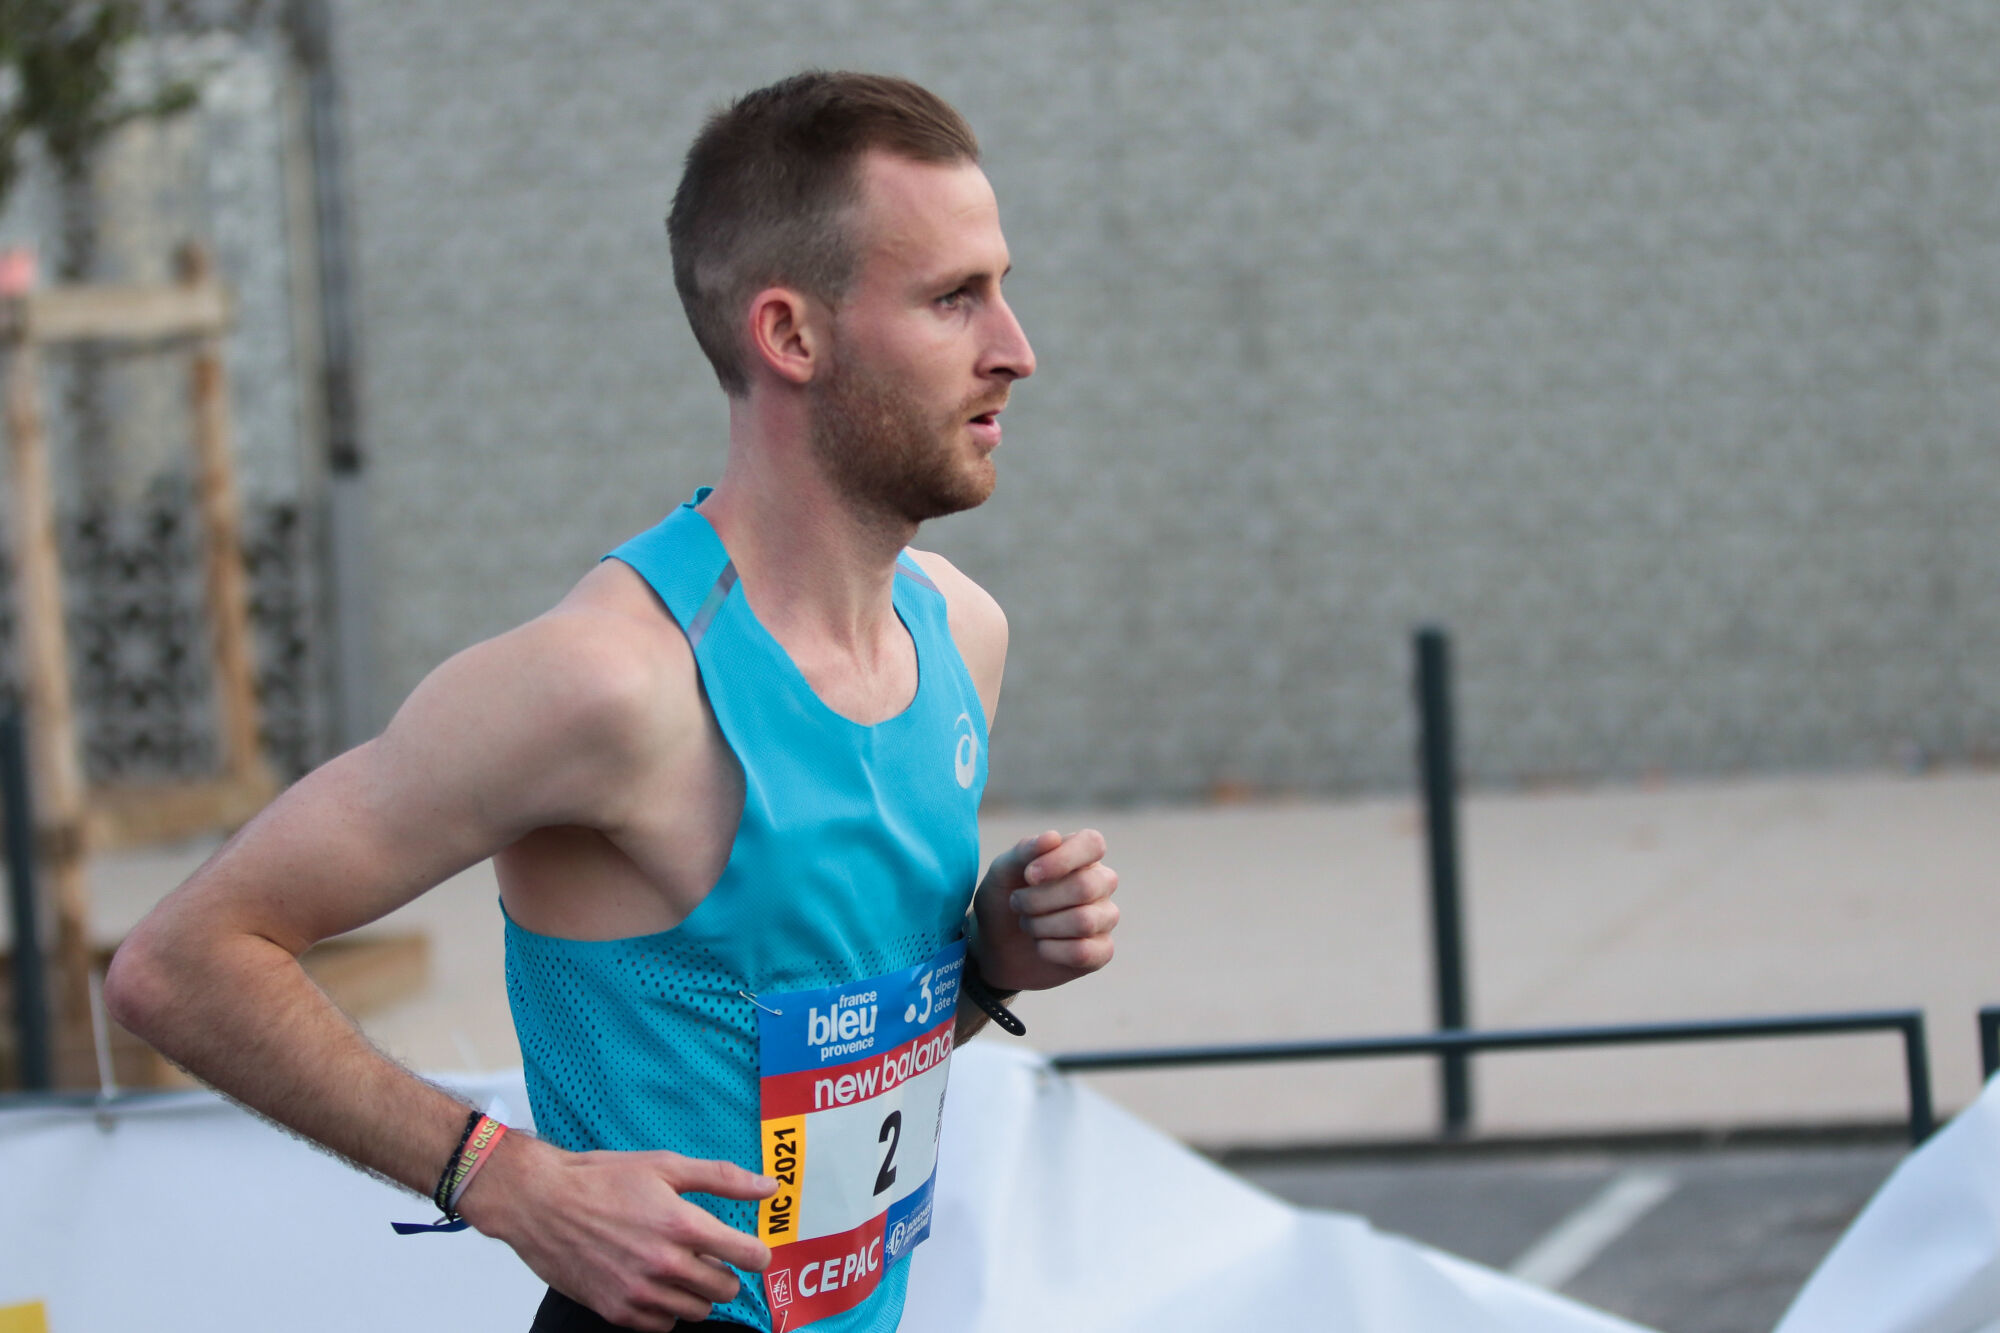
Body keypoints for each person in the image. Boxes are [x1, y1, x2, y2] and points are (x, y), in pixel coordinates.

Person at [105, 70, 1119, 1333]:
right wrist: (508, 1179)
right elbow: (180, 964)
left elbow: (799, 1080)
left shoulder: (962, 633)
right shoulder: (610, 681)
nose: (1015, 349)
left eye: (1001, 288)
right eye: (952, 299)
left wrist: (984, 970)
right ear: (791, 337)